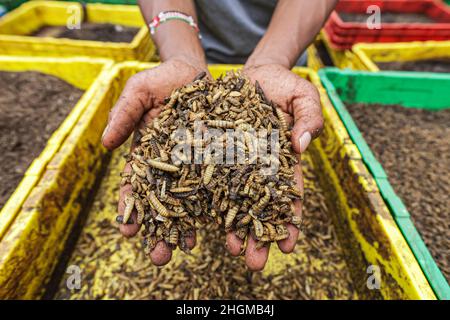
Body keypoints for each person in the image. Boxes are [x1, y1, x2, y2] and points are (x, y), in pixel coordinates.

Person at [101, 0, 338, 271]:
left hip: (284, 60)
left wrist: (273, 59)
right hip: (187, 49)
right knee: (210, 214)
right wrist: (182, 54)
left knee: (239, 222)